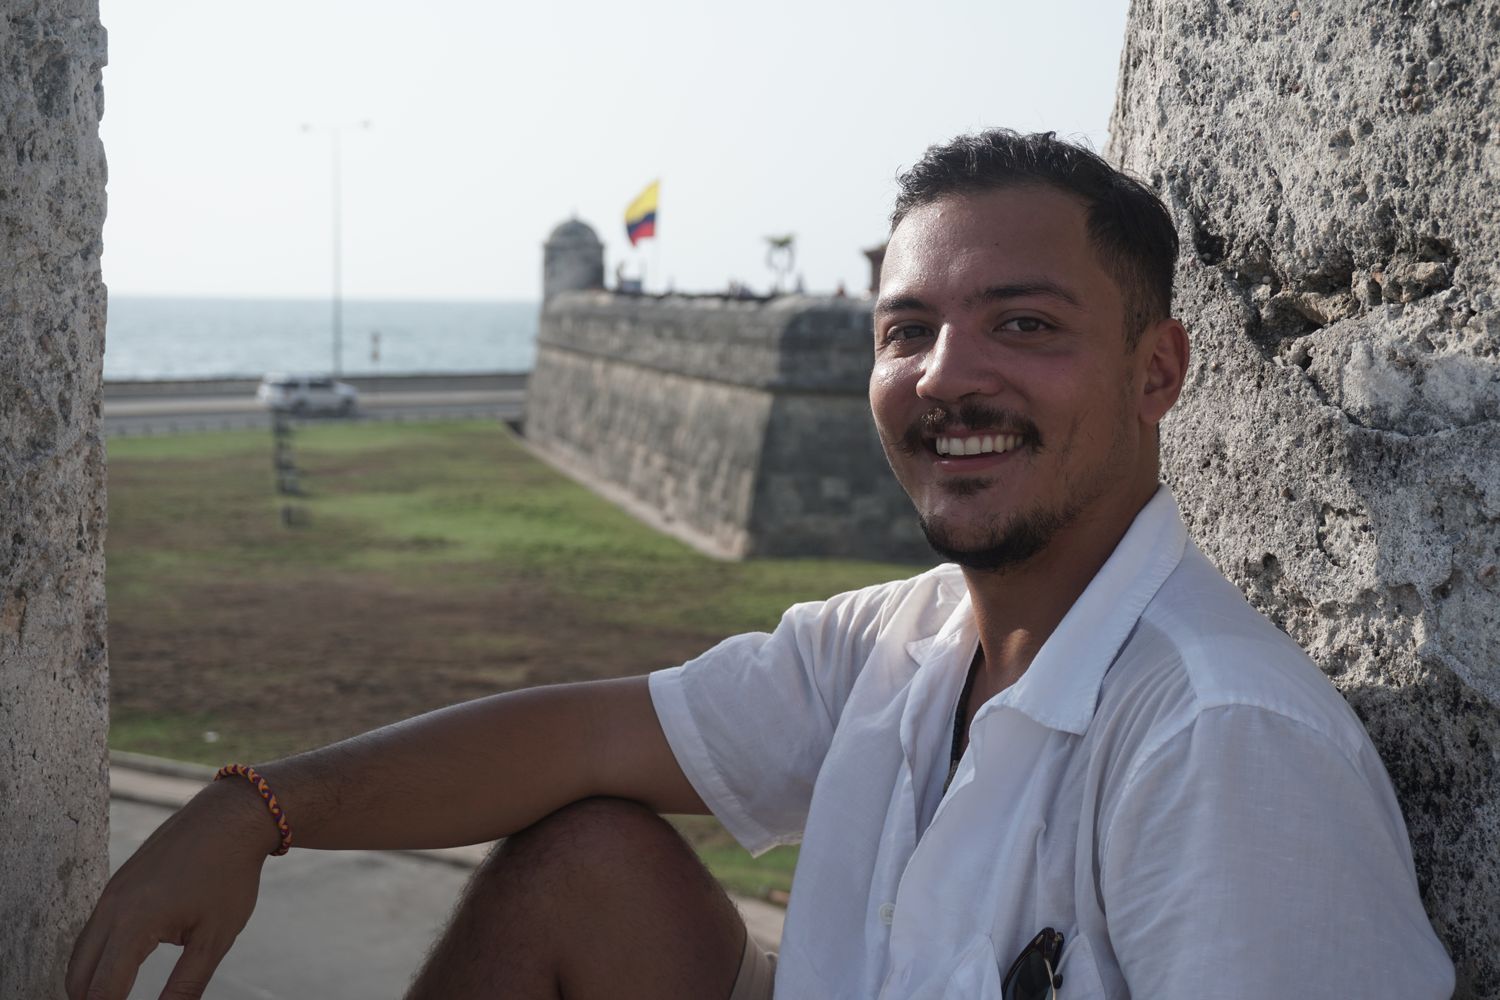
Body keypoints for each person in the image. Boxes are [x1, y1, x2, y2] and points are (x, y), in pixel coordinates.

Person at [69, 130, 1455, 1000]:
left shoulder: (1220, 747)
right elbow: (589, 738)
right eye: (907, 331)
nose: (947, 375)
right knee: (588, 857)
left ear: (1158, 372)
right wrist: (257, 808)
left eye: (1024, 324)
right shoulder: (902, 647)